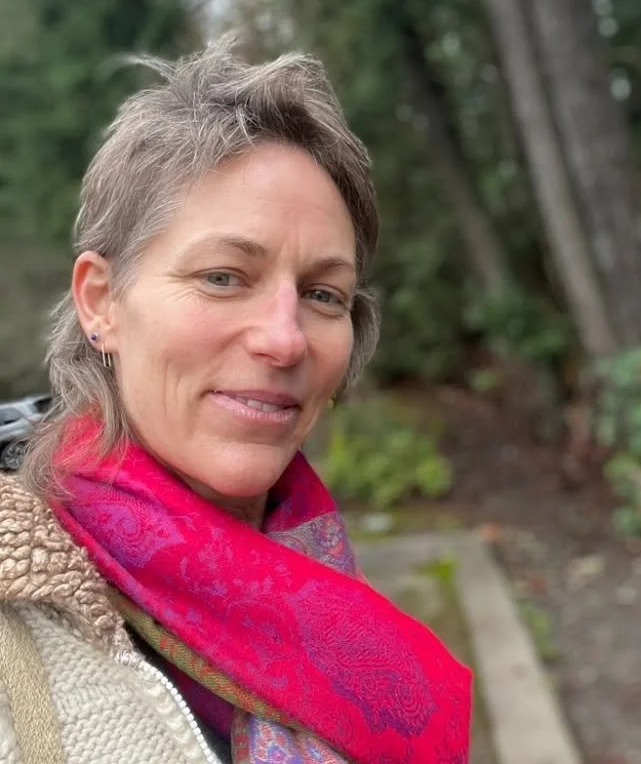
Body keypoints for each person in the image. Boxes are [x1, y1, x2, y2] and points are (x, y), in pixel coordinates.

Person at [0, 38, 472, 764]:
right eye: (223, 277)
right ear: (102, 302)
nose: (285, 341)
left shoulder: (313, 576)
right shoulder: (17, 623)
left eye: (322, 294)